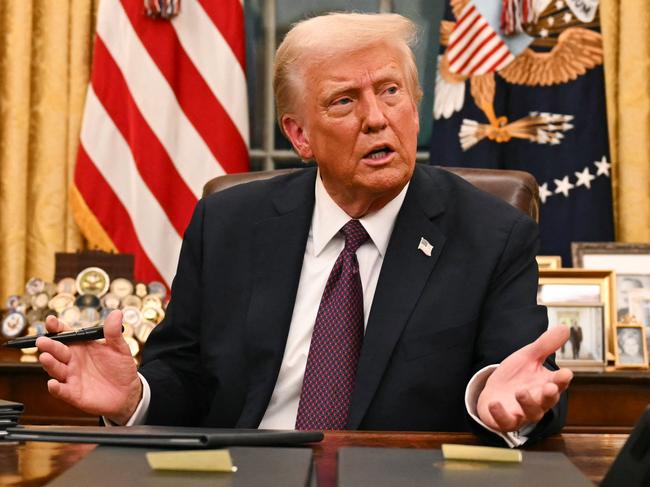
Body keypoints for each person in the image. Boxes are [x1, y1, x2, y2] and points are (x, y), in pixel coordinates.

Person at [36, 12, 572, 447]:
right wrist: (135, 400)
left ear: (414, 105)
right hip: (244, 476)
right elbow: (185, 374)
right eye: (344, 100)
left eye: (391, 91)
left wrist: (500, 402)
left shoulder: (491, 232)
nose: (377, 118)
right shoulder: (229, 223)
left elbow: (523, 378)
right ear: (299, 135)